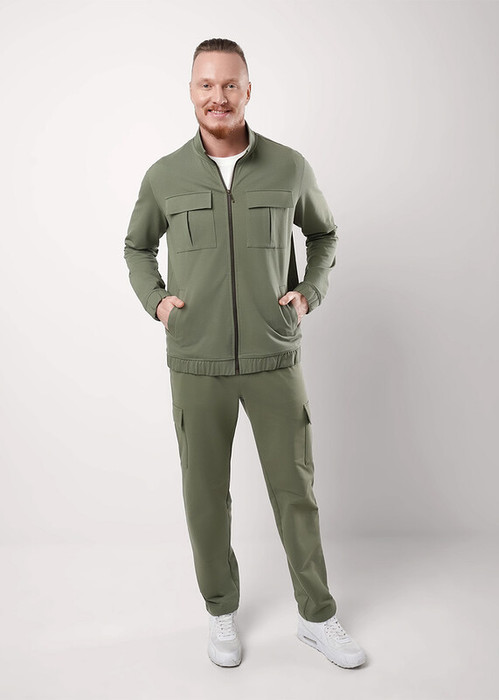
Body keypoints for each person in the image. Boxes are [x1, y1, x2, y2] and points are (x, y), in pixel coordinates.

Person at [124, 38, 367, 670]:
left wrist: (309, 292)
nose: (218, 97)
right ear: (191, 91)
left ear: (248, 91)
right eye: (206, 85)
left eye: (230, 84)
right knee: (205, 495)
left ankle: (317, 616)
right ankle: (220, 610)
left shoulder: (288, 167)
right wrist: (157, 301)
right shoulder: (164, 175)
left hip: (273, 355)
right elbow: (136, 247)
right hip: (196, 360)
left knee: (295, 491)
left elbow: (324, 233)